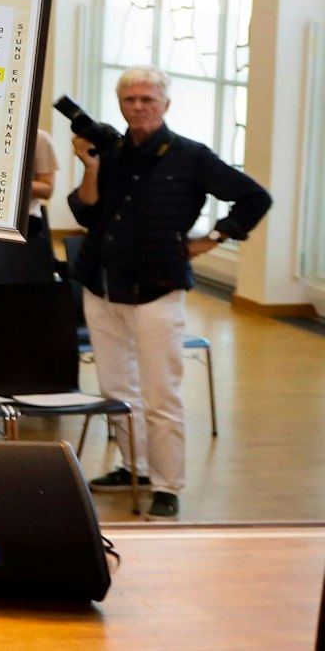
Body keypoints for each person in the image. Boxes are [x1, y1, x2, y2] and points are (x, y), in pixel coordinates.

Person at [69, 65, 270, 519]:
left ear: (165, 105)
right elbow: (85, 212)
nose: (137, 107)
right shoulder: (110, 151)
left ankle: (167, 484)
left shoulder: (191, 156)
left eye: (147, 100)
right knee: (116, 387)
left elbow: (254, 197)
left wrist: (213, 238)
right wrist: (91, 166)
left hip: (157, 288)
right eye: (129, 100)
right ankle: (132, 466)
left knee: (162, 393)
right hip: (101, 285)